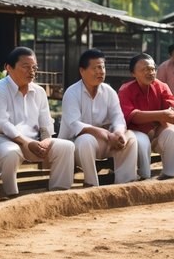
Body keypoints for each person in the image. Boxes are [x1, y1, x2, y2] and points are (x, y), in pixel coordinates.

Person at [0, 47, 76, 198]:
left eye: (34, 67)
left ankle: (58, 193)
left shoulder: (39, 91)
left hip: (34, 142)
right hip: (1, 139)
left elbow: (46, 123)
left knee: (66, 146)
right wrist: (27, 143)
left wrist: (46, 141)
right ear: (8, 68)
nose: (31, 71)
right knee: (10, 152)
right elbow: (1, 123)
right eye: (26, 67)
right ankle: (11, 195)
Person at [59, 48, 142, 186]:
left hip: (105, 142)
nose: (101, 71)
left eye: (102, 67)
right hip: (75, 145)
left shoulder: (108, 91)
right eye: (96, 68)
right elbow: (74, 124)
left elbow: (118, 117)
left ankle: (125, 184)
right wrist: (107, 135)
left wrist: (118, 133)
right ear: (82, 71)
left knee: (130, 138)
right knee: (86, 140)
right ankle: (91, 184)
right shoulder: (71, 93)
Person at [119, 53, 174, 179]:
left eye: (152, 69)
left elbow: (170, 111)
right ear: (133, 73)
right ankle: (141, 176)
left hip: (158, 131)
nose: (150, 72)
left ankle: (170, 174)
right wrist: (161, 115)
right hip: (135, 133)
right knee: (141, 140)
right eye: (145, 69)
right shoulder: (125, 90)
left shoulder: (162, 86)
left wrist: (173, 116)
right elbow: (132, 116)